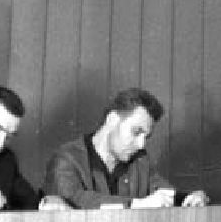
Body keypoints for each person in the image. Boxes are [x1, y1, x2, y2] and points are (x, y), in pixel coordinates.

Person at [43, 88, 209, 209]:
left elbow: (163, 191)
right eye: (136, 132)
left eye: (146, 137)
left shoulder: (139, 159)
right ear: (112, 120)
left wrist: (189, 197)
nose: (141, 144)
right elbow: (72, 199)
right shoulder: (66, 159)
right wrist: (137, 204)